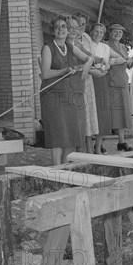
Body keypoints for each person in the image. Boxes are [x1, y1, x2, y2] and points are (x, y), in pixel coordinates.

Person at [40, 14, 93, 165]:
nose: (61, 30)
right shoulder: (48, 48)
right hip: (52, 95)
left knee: (70, 131)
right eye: (57, 27)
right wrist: (65, 71)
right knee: (58, 134)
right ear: (52, 31)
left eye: (64, 27)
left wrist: (87, 65)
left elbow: (88, 58)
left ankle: (65, 168)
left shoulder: (70, 46)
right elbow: (45, 74)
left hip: (68, 94)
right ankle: (56, 168)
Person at [67, 14, 99, 154]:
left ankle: (88, 148)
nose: (79, 28)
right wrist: (90, 69)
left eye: (82, 25)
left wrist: (94, 64)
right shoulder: (66, 44)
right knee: (79, 115)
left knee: (87, 113)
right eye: (73, 26)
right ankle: (80, 150)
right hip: (74, 83)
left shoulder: (79, 42)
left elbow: (89, 56)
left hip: (84, 80)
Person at [106, 23, 133, 151]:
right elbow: (104, 63)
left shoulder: (123, 47)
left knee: (123, 111)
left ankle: (121, 141)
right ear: (110, 33)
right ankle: (100, 144)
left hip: (123, 81)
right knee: (112, 112)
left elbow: (127, 65)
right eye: (115, 32)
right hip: (111, 82)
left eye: (120, 32)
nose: (118, 34)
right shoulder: (106, 46)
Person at [88, 23, 112, 154]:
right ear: (91, 32)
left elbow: (108, 63)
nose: (98, 34)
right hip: (90, 78)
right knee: (90, 112)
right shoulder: (87, 44)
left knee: (102, 112)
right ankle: (87, 147)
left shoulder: (105, 47)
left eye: (101, 32)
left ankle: (98, 147)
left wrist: (106, 67)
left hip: (101, 79)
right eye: (96, 31)